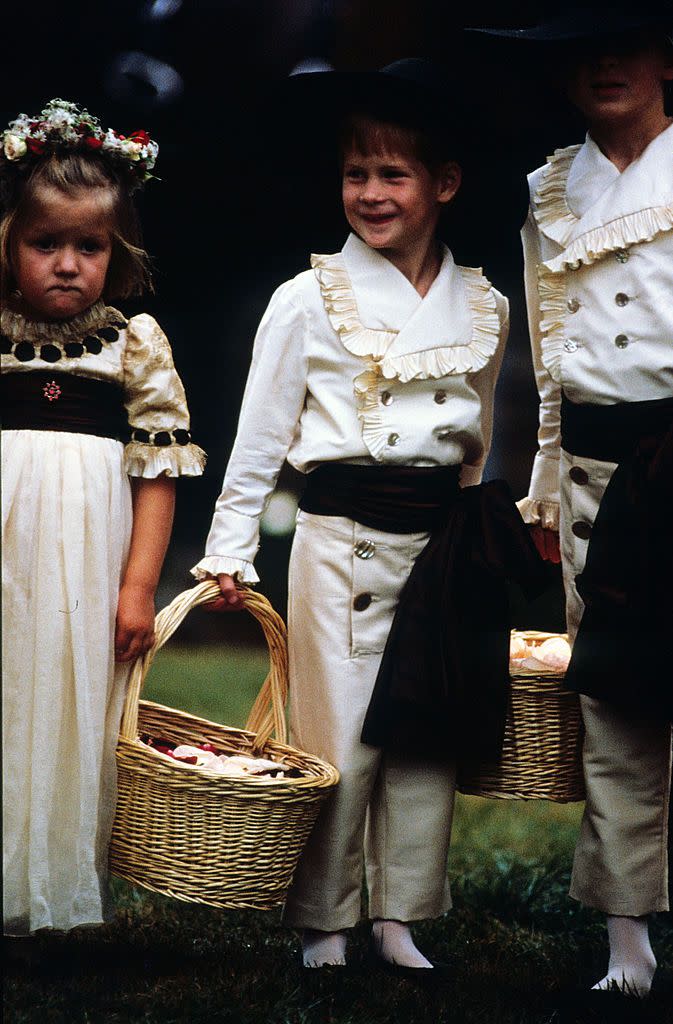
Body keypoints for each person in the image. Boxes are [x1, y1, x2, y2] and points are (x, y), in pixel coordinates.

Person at [193, 59, 519, 972]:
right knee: (336, 733)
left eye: (393, 175)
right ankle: (324, 918)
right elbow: (257, 437)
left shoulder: (483, 307)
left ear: (443, 185)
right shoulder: (307, 300)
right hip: (339, 541)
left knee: (423, 730)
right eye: (354, 175)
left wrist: (474, 542)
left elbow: (477, 440)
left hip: (437, 546)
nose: (370, 194)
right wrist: (230, 549)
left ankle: (399, 914)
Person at [476, 7, 673, 997]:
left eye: (628, 38)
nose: (606, 62)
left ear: (666, 57)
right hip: (602, 483)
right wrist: (547, 477)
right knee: (616, 698)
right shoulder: (549, 190)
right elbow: (549, 354)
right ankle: (625, 931)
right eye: (583, 46)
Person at [1, 99, 205, 936]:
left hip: (87, 560)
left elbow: (157, 473)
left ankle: (55, 896)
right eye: (45, 243)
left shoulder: (133, 343)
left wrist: (138, 586)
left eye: (88, 247)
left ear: (116, 255)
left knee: (68, 707)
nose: (66, 264)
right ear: (10, 242)